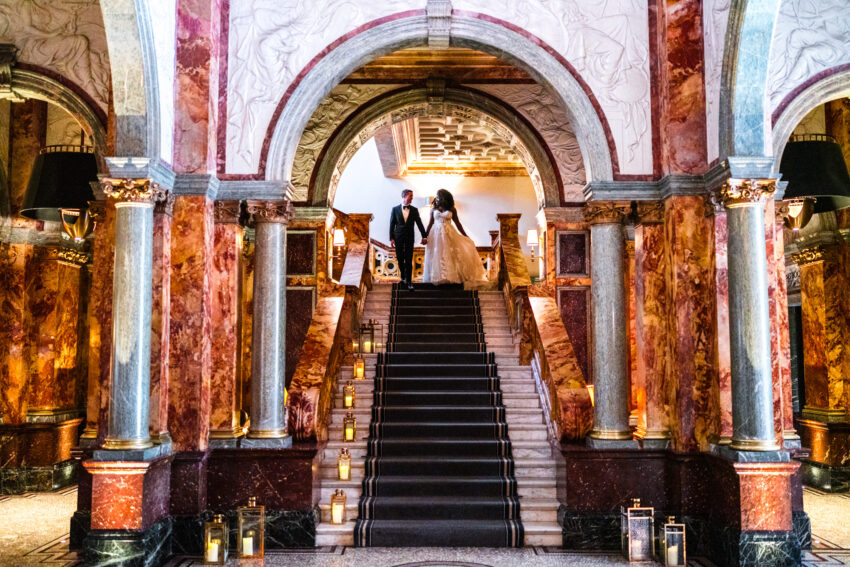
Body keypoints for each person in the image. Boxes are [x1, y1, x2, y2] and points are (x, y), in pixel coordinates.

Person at [422, 189, 487, 286]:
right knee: (436, 255)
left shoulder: (452, 209)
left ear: (443, 197)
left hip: (449, 233)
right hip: (435, 234)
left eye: (438, 196)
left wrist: (466, 236)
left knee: (451, 255)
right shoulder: (433, 210)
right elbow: (430, 224)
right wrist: (424, 236)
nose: (436, 198)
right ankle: (437, 277)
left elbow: (458, 223)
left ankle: (449, 277)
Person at [389, 188, 427, 291]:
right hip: (398, 238)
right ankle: (403, 277)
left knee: (409, 259)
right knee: (400, 259)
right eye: (411, 196)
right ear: (404, 196)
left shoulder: (414, 210)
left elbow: (419, 223)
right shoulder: (395, 209)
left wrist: (424, 236)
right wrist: (391, 238)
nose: (412, 198)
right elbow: (392, 224)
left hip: (410, 237)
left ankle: (409, 282)